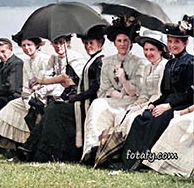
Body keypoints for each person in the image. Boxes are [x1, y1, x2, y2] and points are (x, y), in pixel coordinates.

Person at [18, 25, 106, 162]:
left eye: (92, 43)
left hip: (90, 104)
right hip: (80, 99)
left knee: (54, 110)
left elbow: (96, 88)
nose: (88, 46)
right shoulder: (91, 60)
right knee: (52, 108)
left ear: (100, 44)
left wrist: (75, 97)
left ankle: (41, 152)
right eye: (86, 43)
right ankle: (32, 147)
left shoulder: (100, 61)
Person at [121, 16, 194, 170]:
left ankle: (145, 162)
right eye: (170, 41)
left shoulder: (190, 62)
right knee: (142, 118)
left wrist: (167, 106)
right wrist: (155, 104)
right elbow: (165, 92)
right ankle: (129, 160)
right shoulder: (170, 64)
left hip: (183, 104)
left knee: (158, 119)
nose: (173, 45)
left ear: (185, 43)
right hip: (168, 102)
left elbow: (189, 93)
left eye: (177, 42)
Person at [92, 30, 170, 167]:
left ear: (160, 51)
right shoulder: (147, 68)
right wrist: (137, 104)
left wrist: (143, 106)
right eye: (146, 50)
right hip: (146, 101)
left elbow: (162, 93)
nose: (148, 53)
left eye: (152, 50)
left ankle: (130, 159)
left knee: (131, 119)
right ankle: (111, 153)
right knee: (123, 115)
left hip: (158, 103)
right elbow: (144, 93)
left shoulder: (165, 66)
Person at [81, 15, 146, 163]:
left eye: (125, 41)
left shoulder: (139, 63)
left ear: (130, 43)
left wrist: (123, 79)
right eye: (119, 41)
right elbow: (103, 89)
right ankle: (93, 147)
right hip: (114, 99)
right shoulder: (107, 61)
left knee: (105, 105)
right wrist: (118, 95)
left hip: (132, 102)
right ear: (114, 43)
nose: (122, 44)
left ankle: (110, 150)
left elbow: (137, 91)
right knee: (98, 104)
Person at [0, 37, 49, 150]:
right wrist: (27, 94)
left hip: (44, 95)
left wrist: (37, 89)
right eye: (24, 45)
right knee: (9, 108)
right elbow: (25, 84)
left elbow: (49, 80)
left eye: (29, 45)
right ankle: (3, 144)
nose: (26, 48)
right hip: (29, 96)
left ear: (36, 45)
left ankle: (30, 145)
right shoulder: (26, 62)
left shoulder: (45, 59)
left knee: (29, 111)